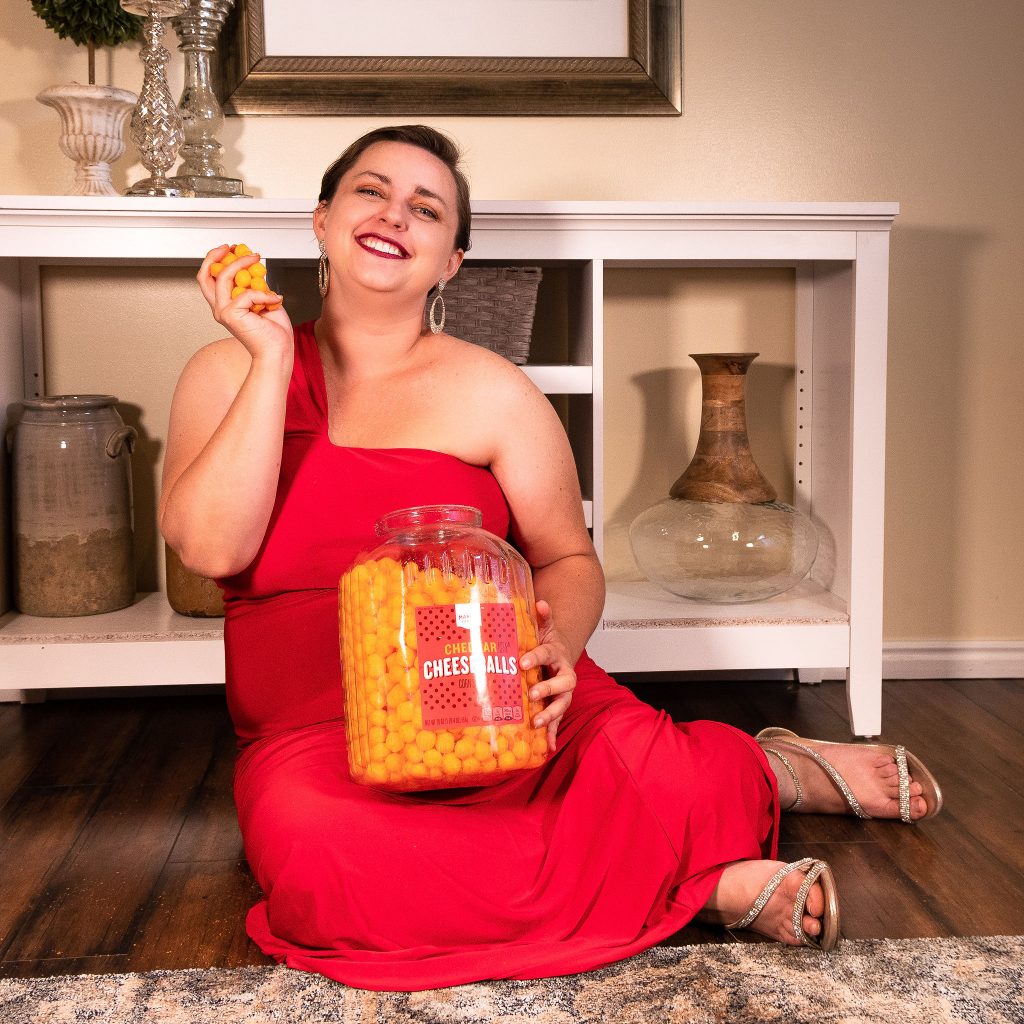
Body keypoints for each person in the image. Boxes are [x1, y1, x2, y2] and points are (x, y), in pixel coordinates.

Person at [159, 125, 942, 992]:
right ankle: (700, 875)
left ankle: (755, 788)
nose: (394, 217)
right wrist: (269, 359)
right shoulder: (225, 370)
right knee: (330, 864)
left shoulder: (495, 389)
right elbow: (210, 548)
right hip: (319, 735)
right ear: (320, 219)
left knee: (658, 776)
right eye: (369, 192)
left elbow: (569, 557)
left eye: (426, 209)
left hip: (494, 704)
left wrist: (558, 650)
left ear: (450, 261)